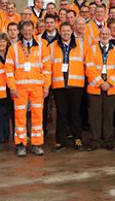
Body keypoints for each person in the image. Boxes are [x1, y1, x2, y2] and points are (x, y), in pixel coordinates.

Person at [6, 21, 50, 157]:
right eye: (25, 30)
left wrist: (46, 86)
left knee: (38, 116)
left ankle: (37, 144)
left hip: (37, 88)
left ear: (34, 30)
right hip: (20, 88)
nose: (27, 32)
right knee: (19, 117)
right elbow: (8, 70)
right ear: (20, 31)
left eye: (30, 30)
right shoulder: (13, 48)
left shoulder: (42, 46)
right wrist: (12, 87)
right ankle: (21, 144)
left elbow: (47, 69)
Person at [47, 22, 85, 152]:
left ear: (72, 31)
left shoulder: (81, 45)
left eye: (68, 31)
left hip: (76, 86)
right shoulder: (52, 47)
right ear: (59, 31)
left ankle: (77, 138)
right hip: (59, 86)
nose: (66, 33)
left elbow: (87, 64)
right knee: (61, 115)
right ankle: (60, 141)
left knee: (75, 114)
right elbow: (48, 67)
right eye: (63, 31)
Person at [85, 27, 115, 151]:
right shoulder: (92, 49)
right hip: (95, 87)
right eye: (103, 33)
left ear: (110, 35)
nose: (105, 35)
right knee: (94, 115)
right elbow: (89, 68)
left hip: (111, 88)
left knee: (108, 115)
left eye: (107, 33)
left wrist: (110, 83)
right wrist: (101, 83)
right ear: (99, 35)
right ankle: (94, 141)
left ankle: (108, 141)